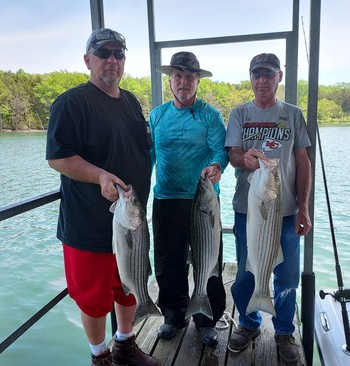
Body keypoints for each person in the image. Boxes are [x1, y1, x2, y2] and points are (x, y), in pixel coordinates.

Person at [46, 28, 160, 366]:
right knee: (93, 298)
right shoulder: (72, 103)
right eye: (104, 53)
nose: (112, 60)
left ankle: (125, 343)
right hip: (89, 224)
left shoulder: (129, 101)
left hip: (133, 219)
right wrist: (99, 176)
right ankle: (100, 355)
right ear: (88, 60)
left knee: (129, 286)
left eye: (118, 54)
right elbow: (58, 157)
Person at [224, 53, 312, 363]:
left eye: (268, 74)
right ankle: (248, 323)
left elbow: (303, 161)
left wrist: (304, 208)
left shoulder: (292, 114)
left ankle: (285, 331)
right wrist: (243, 158)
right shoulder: (239, 113)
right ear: (250, 78)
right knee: (248, 271)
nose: (262, 79)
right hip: (248, 209)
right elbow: (233, 154)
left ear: (279, 77)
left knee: (287, 276)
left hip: (286, 211)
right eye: (256, 74)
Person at [148, 51, 228, 347]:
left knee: (209, 261)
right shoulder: (157, 115)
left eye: (189, 77)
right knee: (168, 262)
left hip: (202, 202)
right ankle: (174, 313)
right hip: (166, 200)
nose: (183, 82)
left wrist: (217, 166)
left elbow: (221, 150)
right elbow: (150, 157)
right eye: (177, 76)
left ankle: (207, 318)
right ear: (170, 81)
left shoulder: (210, 115)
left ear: (197, 81)